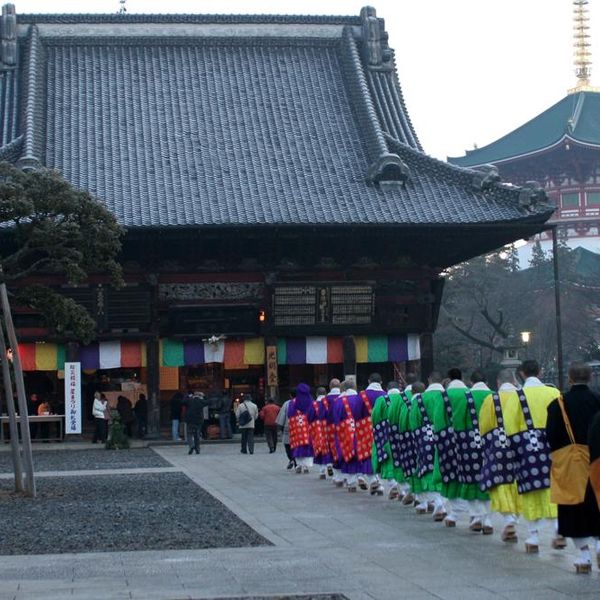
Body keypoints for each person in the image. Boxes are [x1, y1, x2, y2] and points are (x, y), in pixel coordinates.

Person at [480, 361, 559, 553]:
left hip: (528, 448)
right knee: (555, 487)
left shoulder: (518, 396)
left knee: (529, 489)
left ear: (522, 374)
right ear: (540, 371)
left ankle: (532, 537)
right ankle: (558, 528)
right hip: (553, 445)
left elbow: (508, 425)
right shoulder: (554, 393)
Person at [546, 362, 600, 573]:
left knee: (573, 508)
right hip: (596, 460)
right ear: (589, 378)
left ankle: (583, 556)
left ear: (569, 378)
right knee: (596, 504)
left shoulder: (558, 404)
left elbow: (551, 435)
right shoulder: (597, 400)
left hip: (570, 464)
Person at [360, 372, 386, 495]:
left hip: (365, 428)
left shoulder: (362, 396)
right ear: (381, 383)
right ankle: (380, 481)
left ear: (369, 381)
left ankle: (373, 480)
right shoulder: (385, 395)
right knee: (381, 452)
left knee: (367, 453)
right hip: (382, 428)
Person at [287, 383, 315, 473]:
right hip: (307, 426)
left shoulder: (292, 402)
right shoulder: (310, 401)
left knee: (297, 444)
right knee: (307, 444)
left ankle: (298, 465)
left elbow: (289, 414)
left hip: (296, 427)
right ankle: (306, 466)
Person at [311, 386, 331, 478]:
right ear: (326, 393)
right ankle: (330, 464)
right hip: (328, 427)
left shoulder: (313, 404)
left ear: (317, 394)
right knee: (329, 447)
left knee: (319, 448)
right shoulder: (328, 403)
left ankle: (322, 472)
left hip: (317, 428)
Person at [276, 391, 295, 469]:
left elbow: (282, 416)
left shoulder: (287, 404)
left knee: (288, 445)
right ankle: (297, 461)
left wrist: (279, 427)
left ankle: (292, 459)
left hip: (289, 428)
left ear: (290, 395)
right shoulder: (304, 402)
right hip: (301, 430)